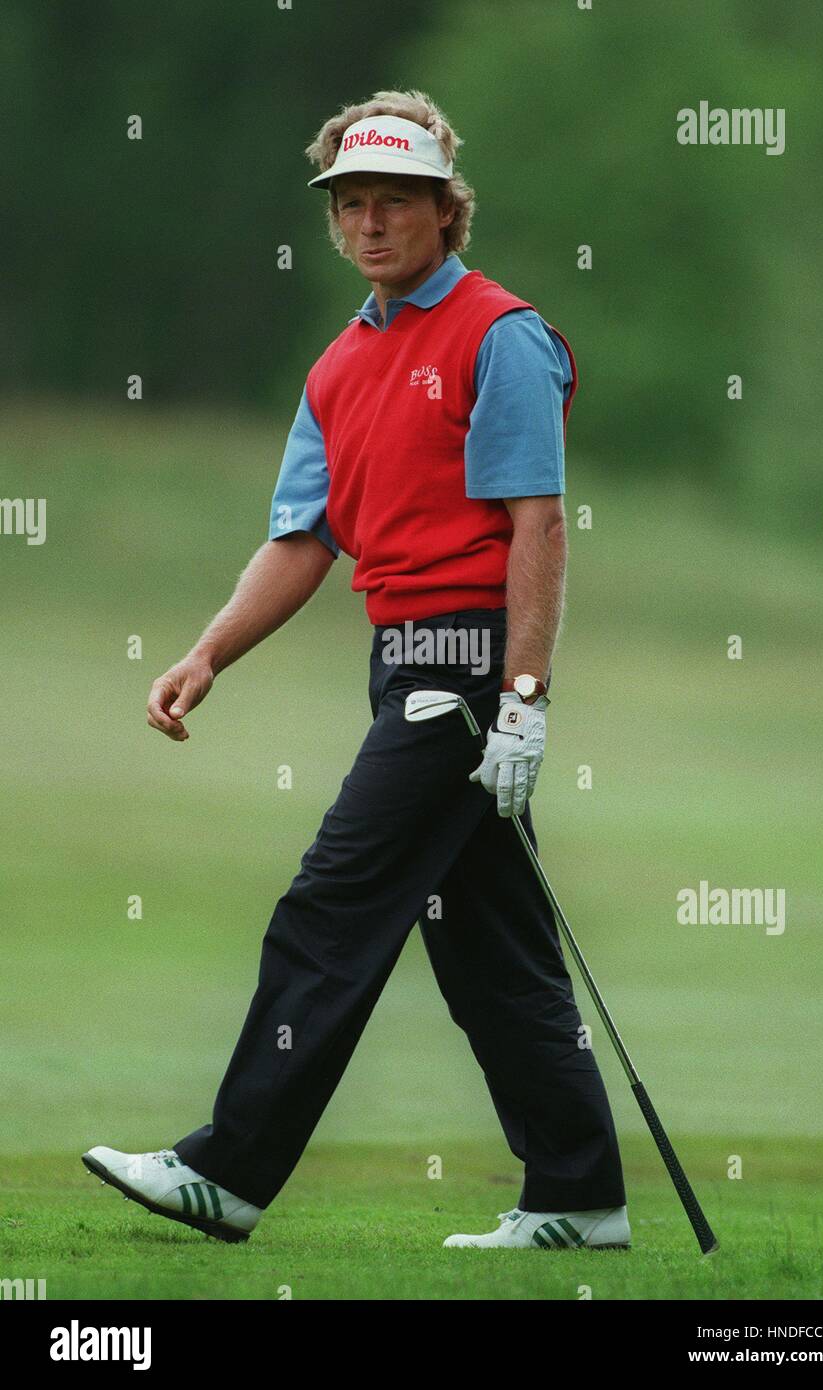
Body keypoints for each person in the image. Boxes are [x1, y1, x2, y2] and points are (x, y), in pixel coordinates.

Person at [83, 89, 629, 1253]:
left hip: (464, 663)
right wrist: (208, 652)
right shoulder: (340, 365)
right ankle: (579, 1195)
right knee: (490, 948)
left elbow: (537, 524)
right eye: (351, 204)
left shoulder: (499, 335)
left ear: (445, 208)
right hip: (400, 661)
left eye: (396, 201)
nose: (372, 222)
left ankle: (226, 1172)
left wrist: (524, 702)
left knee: (330, 907)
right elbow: (302, 538)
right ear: (333, 217)